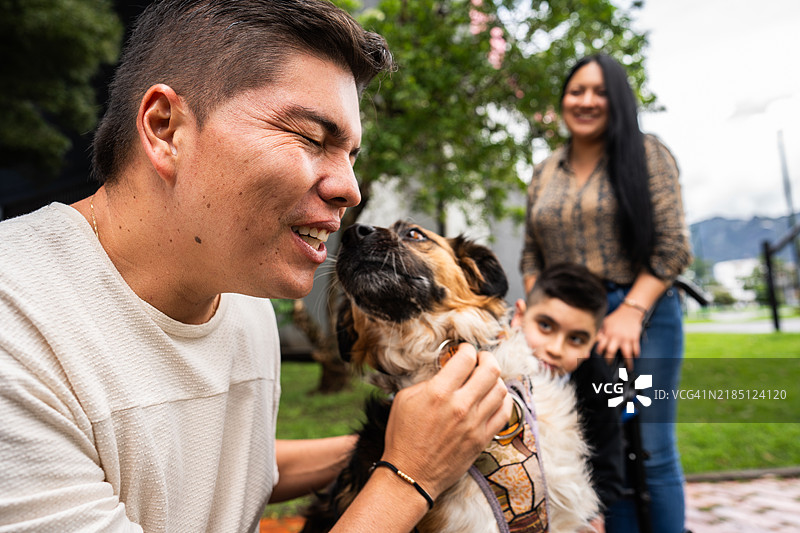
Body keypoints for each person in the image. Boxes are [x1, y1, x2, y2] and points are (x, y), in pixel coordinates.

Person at [0, 2, 513, 532]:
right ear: (165, 127)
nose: (350, 189)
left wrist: (420, 437)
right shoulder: (17, 328)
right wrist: (409, 474)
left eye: (351, 156)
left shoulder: (244, 302)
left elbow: (231, 470)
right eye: (313, 139)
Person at [520, 53, 692, 533]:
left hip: (641, 317)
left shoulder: (647, 153)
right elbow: (533, 256)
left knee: (651, 449)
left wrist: (630, 312)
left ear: (617, 100)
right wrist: (542, 318)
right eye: (576, 90)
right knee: (595, 443)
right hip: (571, 326)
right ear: (563, 100)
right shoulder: (544, 170)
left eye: (599, 91)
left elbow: (673, 246)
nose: (586, 100)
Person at [511, 262, 625, 533]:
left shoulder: (596, 384)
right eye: (545, 326)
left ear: (591, 345)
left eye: (576, 339)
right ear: (519, 316)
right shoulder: (489, 361)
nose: (555, 349)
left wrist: (589, 513)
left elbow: (609, 467)